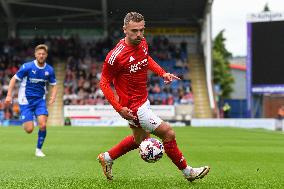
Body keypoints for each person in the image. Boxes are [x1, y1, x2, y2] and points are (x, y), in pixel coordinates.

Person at [97, 12, 210, 182]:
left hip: (142, 100)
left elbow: (146, 59)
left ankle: (107, 157)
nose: (139, 34)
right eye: (134, 31)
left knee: (139, 140)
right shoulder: (116, 56)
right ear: (124, 30)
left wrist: (162, 72)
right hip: (134, 108)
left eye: (142, 30)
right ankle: (188, 172)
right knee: (168, 134)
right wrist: (119, 108)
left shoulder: (142, 43)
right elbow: (104, 83)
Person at [5, 44, 57, 157]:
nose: (41, 55)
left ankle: (38, 149)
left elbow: (54, 85)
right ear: (35, 55)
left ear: (46, 55)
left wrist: (53, 96)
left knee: (43, 125)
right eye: (39, 53)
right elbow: (14, 79)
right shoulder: (27, 67)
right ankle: (27, 122)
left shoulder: (49, 70)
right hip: (26, 101)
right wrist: (9, 95)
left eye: (43, 54)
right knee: (29, 130)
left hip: (40, 100)